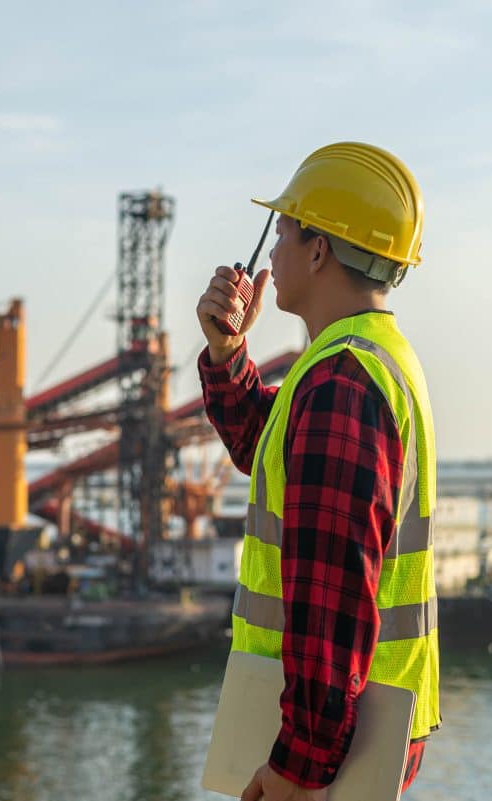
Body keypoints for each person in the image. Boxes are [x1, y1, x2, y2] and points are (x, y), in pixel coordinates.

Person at [197, 142, 440, 800]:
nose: (271, 253)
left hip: (334, 749)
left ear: (318, 249)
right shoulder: (366, 360)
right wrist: (227, 351)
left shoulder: (342, 382)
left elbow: (333, 592)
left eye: (284, 228)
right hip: (362, 726)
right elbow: (271, 452)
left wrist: (298, 767)